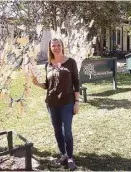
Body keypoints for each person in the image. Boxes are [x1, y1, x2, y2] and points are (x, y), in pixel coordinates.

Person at [32, 38, 80, 170]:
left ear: (62, 46)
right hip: (52, 103)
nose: (56, 47)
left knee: (67, 131)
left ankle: (70, 157)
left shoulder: (70, 62)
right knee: (57, 130)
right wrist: (37, 84)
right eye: (53, 45)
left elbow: (76, 83)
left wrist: (77, 102)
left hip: (67, 102)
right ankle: (63, 154)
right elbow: (48, 85)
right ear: (50, 48)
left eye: (58, 45)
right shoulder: (48, 64)